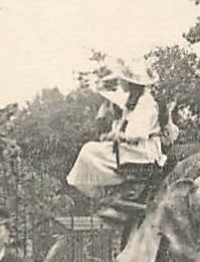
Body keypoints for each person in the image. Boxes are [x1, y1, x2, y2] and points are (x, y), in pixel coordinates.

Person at [65, 59, 167, 221]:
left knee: (89, 151)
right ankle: (109, 192)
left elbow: (137, 134)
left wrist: (117, 136)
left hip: (143, 150)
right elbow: (126, 128)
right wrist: (114, 134)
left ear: (130, 82)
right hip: (135, 147)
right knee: (91, 150)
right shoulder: (135, 101)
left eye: (122, 80)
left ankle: (108, 192)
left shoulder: (146, 103)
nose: (120, 83)